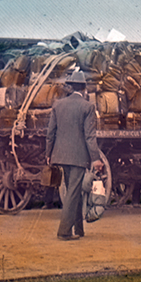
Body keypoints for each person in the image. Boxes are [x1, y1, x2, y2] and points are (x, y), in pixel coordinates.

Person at [45, 71, 104, 241]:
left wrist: (48, 154)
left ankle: (79, 229)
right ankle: (64, 231)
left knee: (74, 190)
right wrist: (96, 158)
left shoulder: (58, 104)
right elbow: (89, 136)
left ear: (71, 87)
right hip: (78, 157)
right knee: (72, 192)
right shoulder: (87, 107)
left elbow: (50, 133)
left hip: (61, 154)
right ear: (84, 88)